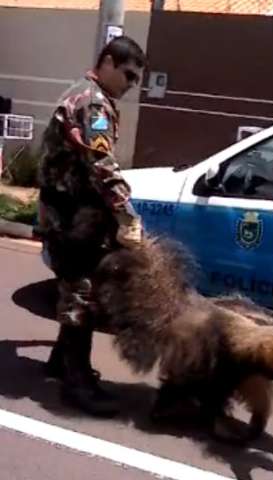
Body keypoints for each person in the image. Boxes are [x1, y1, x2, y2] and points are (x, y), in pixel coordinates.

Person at [37, 36, 146, 416]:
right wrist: (127, 215)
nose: (131, 84)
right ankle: (76, 383)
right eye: (128, 75)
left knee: (76, 288)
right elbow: (101, 163)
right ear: (109, 62)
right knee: (81, 294)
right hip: (72, 219)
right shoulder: (93, 103)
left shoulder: (83, 93)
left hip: (68, 214)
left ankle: (60, 361)